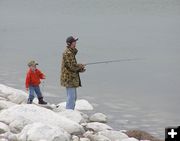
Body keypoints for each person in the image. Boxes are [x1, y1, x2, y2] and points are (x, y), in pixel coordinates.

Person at [61, 36, 86, 110]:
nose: (76, 42)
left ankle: (70, 111)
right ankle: (69, 112)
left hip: (71, 77)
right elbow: (71, 66)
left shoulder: (71, 52)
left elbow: (72, 66)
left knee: (73, 97)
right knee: (71, 97)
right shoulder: (68, 53)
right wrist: (80, 66)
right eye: (74, 41)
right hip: (69, 78)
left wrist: (80, 69)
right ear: (70, 43)